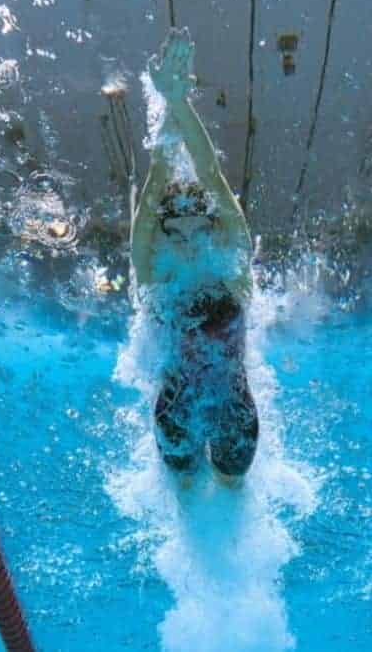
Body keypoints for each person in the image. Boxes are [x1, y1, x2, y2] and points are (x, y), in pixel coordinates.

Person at [130, 29, 258, 483]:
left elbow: (211, 174)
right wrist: (169, 101)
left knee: (233, 487)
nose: (186, 238)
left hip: (235, 412)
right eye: (175, 229)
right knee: (183, 492)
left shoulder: (233, 264)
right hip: (175, 413)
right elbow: (154, 186)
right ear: (161, 233)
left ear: (213, 226)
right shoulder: (153, 272)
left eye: (198, 226)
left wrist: (179, 103)